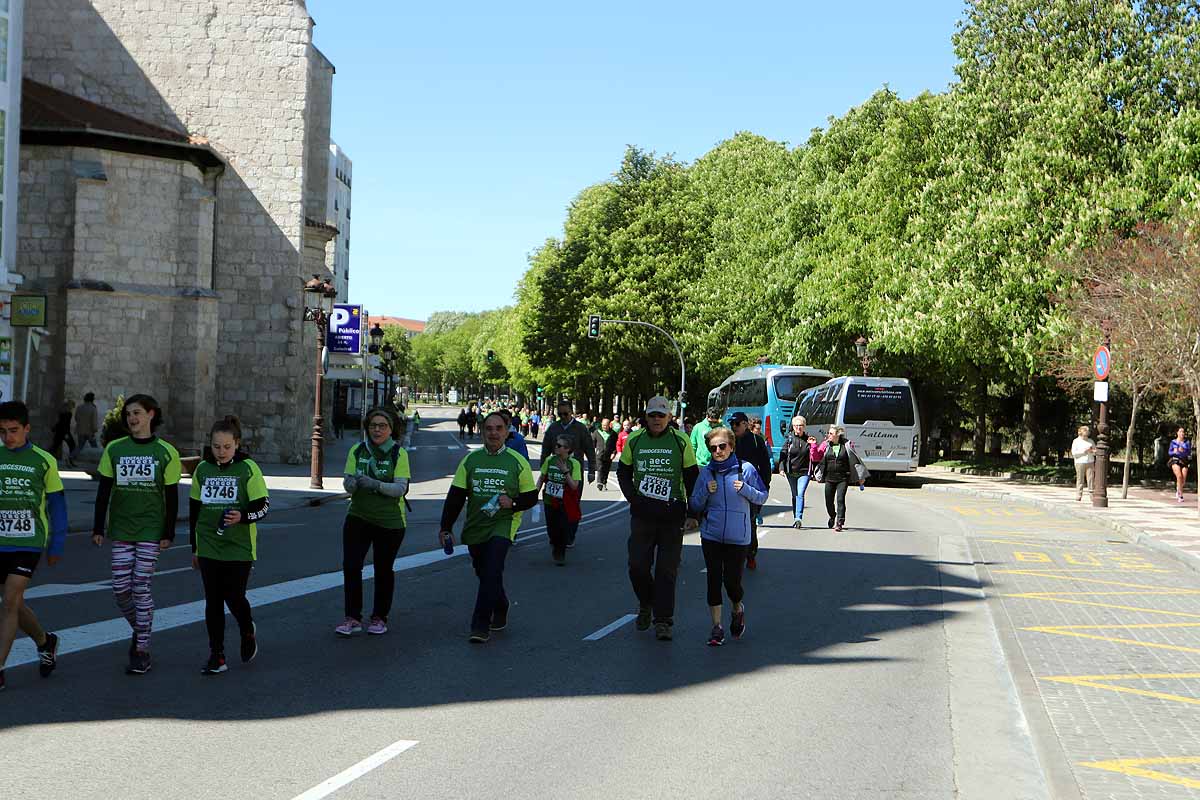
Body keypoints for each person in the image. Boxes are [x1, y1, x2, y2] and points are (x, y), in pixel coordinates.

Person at [91, 394, 182, 674]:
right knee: (120, 590)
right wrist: (98, 527)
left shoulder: (166, 452)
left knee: (140, 586)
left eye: (137, 413)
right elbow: (104, 491)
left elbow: (171, 496)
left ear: (151, 414)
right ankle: (141, 629)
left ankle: (141, 650)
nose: (132, 418)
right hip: (121, 529)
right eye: (129, 413)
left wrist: (168, 532)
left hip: (150, 530)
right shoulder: (115, 449)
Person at [438, 411, 537, 643]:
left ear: (507, 431)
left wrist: (513, 503)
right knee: (484, 572)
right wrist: (445, 527)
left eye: (499, 428)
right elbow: (456, 496)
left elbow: (531, 497)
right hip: (476, 524)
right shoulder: (471, 460)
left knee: (492, 569)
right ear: (482, 431)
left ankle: (480, 625)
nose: (494, 433)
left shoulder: (517, 461)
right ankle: (501, 604)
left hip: (504, 523)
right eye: (489, 429)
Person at [190, 416, 270, 675]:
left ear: (237, 444)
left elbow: (263, 507)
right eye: (216, 447)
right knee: (213, 600)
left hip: (239, 545)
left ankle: (247, 630)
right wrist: (195, 547)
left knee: (234, 596)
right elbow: (195, 511)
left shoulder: (248, 468)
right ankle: (217, 655)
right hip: (209, 543)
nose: (221, 452)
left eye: (226, 447)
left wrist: (242, 516)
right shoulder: (203, 469)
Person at [617, 396, 700, 641]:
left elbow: (692, 477)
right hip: (642, 513)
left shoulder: (680, 440)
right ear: (646, 416)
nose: (656, 419)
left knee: (666, 570)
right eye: (652, 415)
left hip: (671, 513)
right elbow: (623, 473)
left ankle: (663, 620)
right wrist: (633, 498)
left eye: (661, 415)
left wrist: (693, 513)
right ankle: (646, 602)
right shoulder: (635, 439)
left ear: (669, 417)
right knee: (637, 566)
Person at [0, 401, 65, 691]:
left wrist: (56, 544)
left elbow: (57, 505)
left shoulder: (44, 460)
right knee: (13, 603)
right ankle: (45, 641)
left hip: (28, 542)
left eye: (13, 430)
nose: (8, 437)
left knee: (9, 601)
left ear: (27, 428)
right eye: (2, 431)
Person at [690, 426, 767, 646]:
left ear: (731, 446)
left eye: (722, 446)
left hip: (738, 537)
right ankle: (717, 627)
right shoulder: (706, 473)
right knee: (713, 580)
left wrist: (745, 489)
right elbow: (694, 503)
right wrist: (706, 491)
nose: (718, 451)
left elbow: (762, 496)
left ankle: (737, 608)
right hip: (711, 536)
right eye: (713, 448)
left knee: (732, 583)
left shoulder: (746, 469)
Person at [336, 408, 410, 636]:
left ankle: (379, 617)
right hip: (358, 516)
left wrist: (375, 484)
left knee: (383, 569)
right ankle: (352, 618)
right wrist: (351, 484)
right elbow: (347, 481)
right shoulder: (357, 450)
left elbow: (400, 488)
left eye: (382, 426)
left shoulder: (398, 453)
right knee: (351, 566)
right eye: (373, 426)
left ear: (391, 429)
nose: (377, 430)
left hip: (390, 522)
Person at [730, 412, 771, 569]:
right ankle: (733, 554)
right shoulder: (728, 440)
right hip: (731, 486)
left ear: (745, 424)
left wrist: (765, 485)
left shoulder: (756, 440)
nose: (734, 427)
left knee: (749, 521)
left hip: (751, 487)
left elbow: (765, 465)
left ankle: (751, 554)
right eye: (732, 424)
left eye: (737, 424)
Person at [537, 434, 582, 565]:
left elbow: (574, 486)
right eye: (556, 444)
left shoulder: (574, 464)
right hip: (549, 500)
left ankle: (559, 553)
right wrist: (534, 494)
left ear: (567, 449)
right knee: (551, 528)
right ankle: (555, 543)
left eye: (559, 445)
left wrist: (565, 471)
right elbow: (542, 477)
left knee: (562, 528)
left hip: (565, 502)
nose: (556, 447)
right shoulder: (549, 460)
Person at [813, 426, 866, 532]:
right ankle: (832, 516)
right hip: (829, 478)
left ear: (838, 435)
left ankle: (840, 522)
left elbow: (855, 460)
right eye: (828, 433)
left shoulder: (847, 445)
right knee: (828, 501)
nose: (828, 435)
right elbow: (816, 457)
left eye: (831, 433)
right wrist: (813, 445)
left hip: (843, 478)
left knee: (840, 499)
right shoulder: (825, 445)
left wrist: (860, 477)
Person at [541, 400, 595, 489]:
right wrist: (543, 469)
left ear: (571, 412)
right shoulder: (553, 427)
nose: (563, 416)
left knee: (573, 497)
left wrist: (591, 471)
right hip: (555, 470)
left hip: (574, 471)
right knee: (552, 497)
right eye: (560, 414)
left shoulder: (581, 428)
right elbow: (545, 450)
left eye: (565, 414)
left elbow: (590, 450)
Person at [777, 415, 816, 528]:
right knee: (795, 495)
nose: (798, 428)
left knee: (800, 494)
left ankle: (799, 517)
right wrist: (781, 468)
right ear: (793, 427)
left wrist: (813, 445)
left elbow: (815, 456)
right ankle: (796, 517)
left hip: (805, 472)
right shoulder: (789, 440)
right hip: (791, 472)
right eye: (796, 426)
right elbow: (783, 455)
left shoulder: (809, 440)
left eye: (801, 425)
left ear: (804, 426)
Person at [70, 392, 100, 460]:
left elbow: (76, 418)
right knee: (94, 447)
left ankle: (71, 456)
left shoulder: (79, 407)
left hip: (80, 431)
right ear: (92, 399)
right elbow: (94, 421)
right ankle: (98, 460)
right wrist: (95, 429)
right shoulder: (93, 408)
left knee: (80, 446)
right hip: (90, 432)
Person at [1071, 425, 1096, 501]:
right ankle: (1079, 495)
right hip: (1080, 462)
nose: (1086, 436)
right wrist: (1084, 451)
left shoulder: (1091, 441)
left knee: (1091, 479)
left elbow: (1095, 451)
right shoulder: (1076, 441)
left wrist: (1092, 451)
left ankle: (1092, 495)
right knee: (1080, 479)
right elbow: (1074, 453)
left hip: (1090, 461)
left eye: (1087, 434)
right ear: (1081, 433)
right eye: (1085, 434)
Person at [50, 399, 77, 468]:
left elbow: (60, 422)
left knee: (54, 447)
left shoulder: (62, 412)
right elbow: (65, 424)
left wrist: (55, 428)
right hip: (64, 432)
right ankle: (69, 460)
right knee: (73, 446)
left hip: (59, 432)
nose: (73, 408)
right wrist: (66, 434)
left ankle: (48, 459)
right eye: (73, 406)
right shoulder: (68, 413)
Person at [1168, 427, 1192, 503]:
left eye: (1183, 432)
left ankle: (1178, 488)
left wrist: (1183, 451)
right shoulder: (1173, 442)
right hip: (1175, 460)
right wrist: (1175, 452)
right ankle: (1180, 495)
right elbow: (1169, 452)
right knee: (1179, 476)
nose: (1182, 433)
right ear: (1177, 433)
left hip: (1184, 461)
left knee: (1183, 480)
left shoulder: (1187, 442)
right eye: (1180, 431)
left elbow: (1189, 452)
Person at [595, 418, 619, 491]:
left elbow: (616, 445)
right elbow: (592, 442)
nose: (604, 427)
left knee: (606, 470)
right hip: (599, 454)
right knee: (600, 468)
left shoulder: (614, 434)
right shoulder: (597, 432)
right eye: (603, 425)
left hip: (609, 455)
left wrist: (614, 453)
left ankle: (604, 483)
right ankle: (599, 482)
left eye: (606, 425)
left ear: (609, 425)